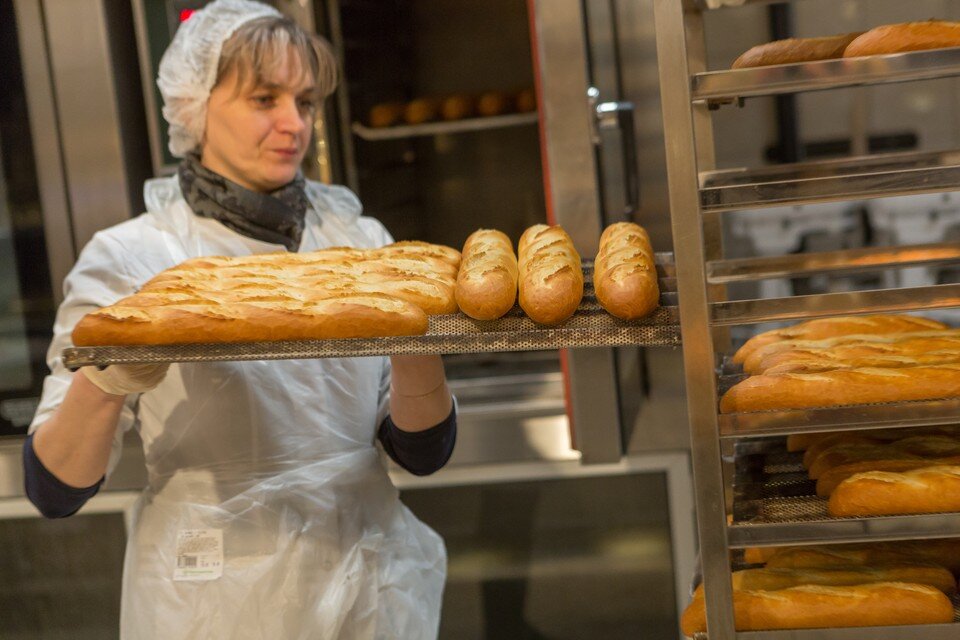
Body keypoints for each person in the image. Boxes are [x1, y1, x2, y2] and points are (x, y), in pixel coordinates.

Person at [22, 1, 456, 637]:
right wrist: (107, 380)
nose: (294, 124)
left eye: (305, 103)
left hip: (366, 584)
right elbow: (54, 488)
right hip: (214, 600)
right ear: (195, 109)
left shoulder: (359, 242)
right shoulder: (133, 259)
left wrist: (419, 341)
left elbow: (422, 452)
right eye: (264, 99)